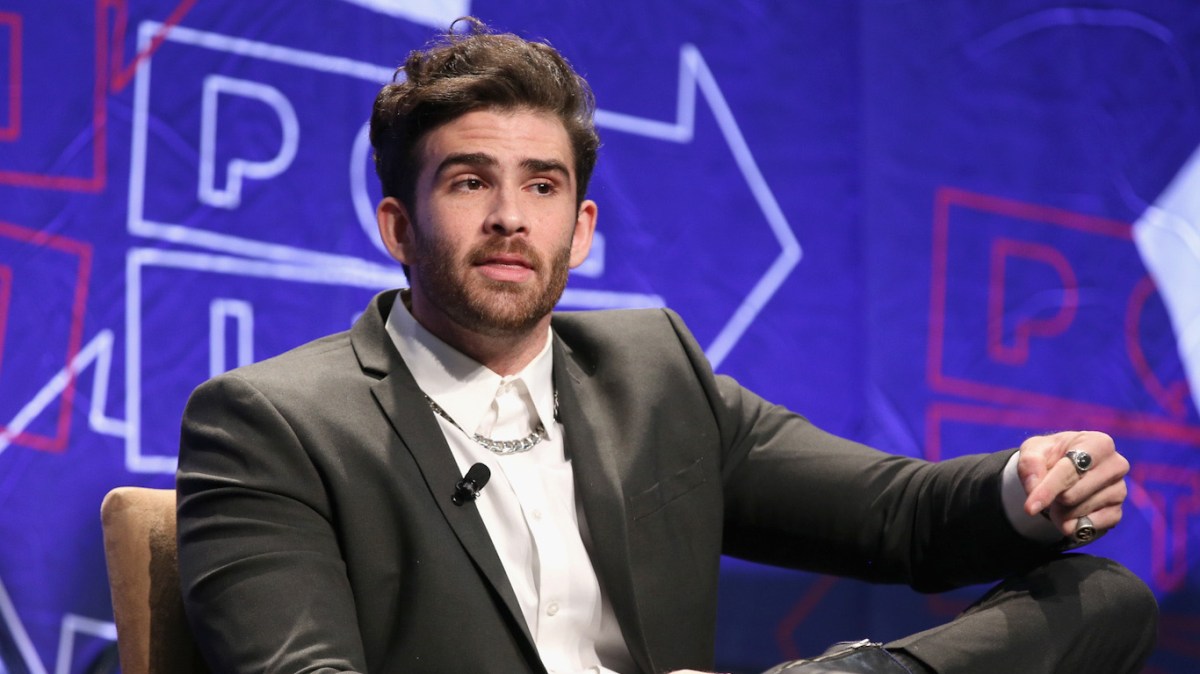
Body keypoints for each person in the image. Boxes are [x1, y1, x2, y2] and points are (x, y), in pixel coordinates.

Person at [175, 17, 1158, 674]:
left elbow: (891, 514)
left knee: (1096, 594)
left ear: (584, 226)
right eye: (470, 181)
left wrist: (1024, 489)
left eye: (544, 185)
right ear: (397, 225)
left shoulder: (650, 372)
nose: (512, 216)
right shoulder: (275, 419)